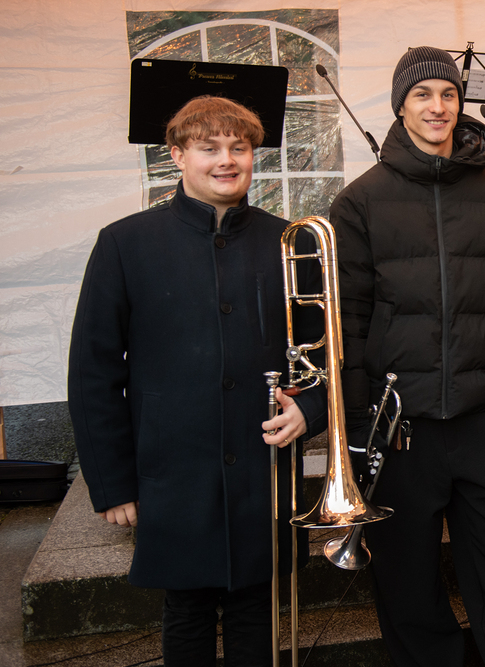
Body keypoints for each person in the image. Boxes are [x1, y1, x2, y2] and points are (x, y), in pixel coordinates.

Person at [67, 95, 327, 666]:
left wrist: (313, 409)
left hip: (264, 467)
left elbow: (328, 354)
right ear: (178, 155)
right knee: (186, 610)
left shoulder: (293, 242)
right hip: (173, 466)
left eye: (239, 148)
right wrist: (112, 483)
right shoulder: (124, 243)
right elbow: (93, 372)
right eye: (209, 148)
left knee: (259, 608)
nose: (226, 160)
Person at [328, 46, 485, 667]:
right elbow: (349, 321)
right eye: (422, 94)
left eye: (448, 94)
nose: (438, 106)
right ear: (400, 106)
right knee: (408, 589)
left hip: (480, 421)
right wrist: (357, 423)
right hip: (399, 429)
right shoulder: (359, 201)